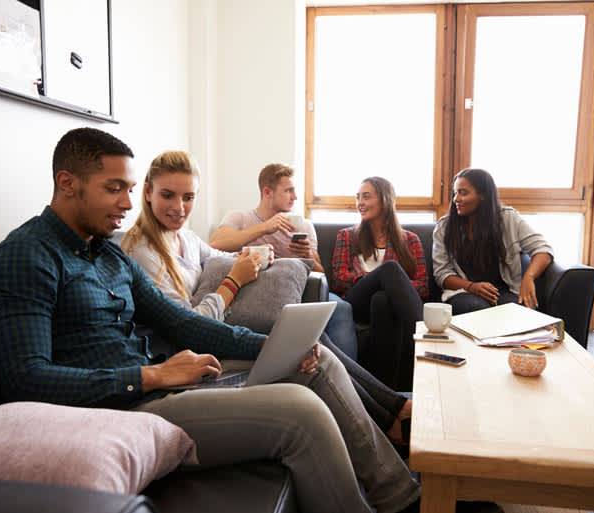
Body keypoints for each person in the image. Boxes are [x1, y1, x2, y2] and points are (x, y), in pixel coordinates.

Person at [0, 128, 420, 513]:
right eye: (114, 188)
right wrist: (149, 375)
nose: (129, 203)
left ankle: (403, 497)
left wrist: (270, 347)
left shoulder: (104, 253)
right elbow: (24, 381)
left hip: (162, 384)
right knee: (300, 413)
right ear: (67, 183)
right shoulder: (25, 258)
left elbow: (182, 324)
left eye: (130, 188)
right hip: (124, 407)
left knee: (315, 360)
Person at [121, 150, 412, 445]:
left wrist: (254, 257)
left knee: (314, 342)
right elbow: (188, 328)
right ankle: (391, 418)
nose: (179, 208)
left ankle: (394, 410)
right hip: (193, 356)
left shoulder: (185, 237)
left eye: (189, 197)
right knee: (310, 354)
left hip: (216, 336)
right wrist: (234, 280)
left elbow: (221, 255)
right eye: (168, 195)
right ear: (147, 192)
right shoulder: (144, 252)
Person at [209, 163, 359, 360]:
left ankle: (343, 378)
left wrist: (308, 255)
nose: (295, 197)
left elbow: (321, 274)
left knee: (341, 307)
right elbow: (215, 244)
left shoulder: (304, 225)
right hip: (253, 291)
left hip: (300, 291)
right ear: (267, 192)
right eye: (289, 191)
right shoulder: (239, 217)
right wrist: (265, 228)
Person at [331, 177, 428, 392]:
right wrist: (373, 279)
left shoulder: (410, 240)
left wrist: (388, 286)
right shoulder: (346, 236)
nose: (360, 203)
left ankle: (388, 394)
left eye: (367, 196)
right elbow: (338, 278)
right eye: (358, 197)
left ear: (385, 200)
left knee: (382, 299)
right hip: (357, 302)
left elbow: (423, 286)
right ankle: (426, 337)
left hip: (385, 306)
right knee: (390, 269)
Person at [433, 168, 554, 315]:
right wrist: (471, 286)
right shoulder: (444, 227)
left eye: (463, 193)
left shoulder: (509, 218)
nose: (456, 199)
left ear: (483, 195)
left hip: (504, 292)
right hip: (463, 292)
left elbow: (542, 250)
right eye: (455, 193)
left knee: (521, 312)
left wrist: (528, 277)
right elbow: (441, 274)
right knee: (478, 309)